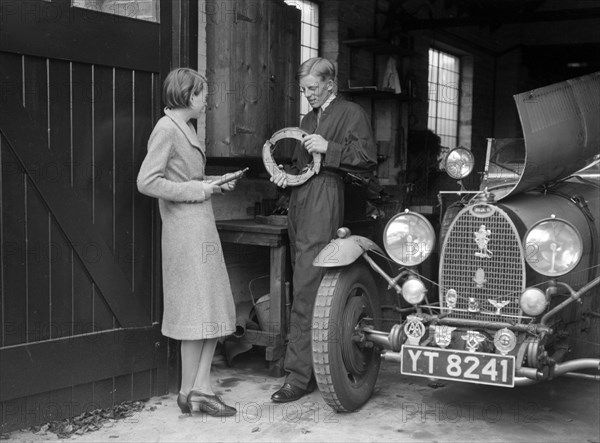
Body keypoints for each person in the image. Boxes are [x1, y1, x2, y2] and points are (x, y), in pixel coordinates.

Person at [270, 57, 377, 402]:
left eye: (313, 88)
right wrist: (286, 178)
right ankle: (314, 367)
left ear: (331, 83)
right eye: (304, 90)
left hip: (326, 195)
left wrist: (328, 147)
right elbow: (305, 167)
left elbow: (367, 160)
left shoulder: (352, 113)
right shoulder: (307, 118)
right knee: (303, 281)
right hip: (302, 197)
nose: (308, 95)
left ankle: (298, 377)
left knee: (306, 285)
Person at [137, 68, 238, 417]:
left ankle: (198, 389)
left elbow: (187, 178)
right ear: (188, 95)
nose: (206, 99)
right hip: (185, 232)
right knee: (197, 311)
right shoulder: (165, 129)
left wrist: (214, 183)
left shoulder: (186, 128)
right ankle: (192, 390)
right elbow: (147, 182)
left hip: (199, 228)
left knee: (210, 309)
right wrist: (198, 190)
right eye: (202, 93)